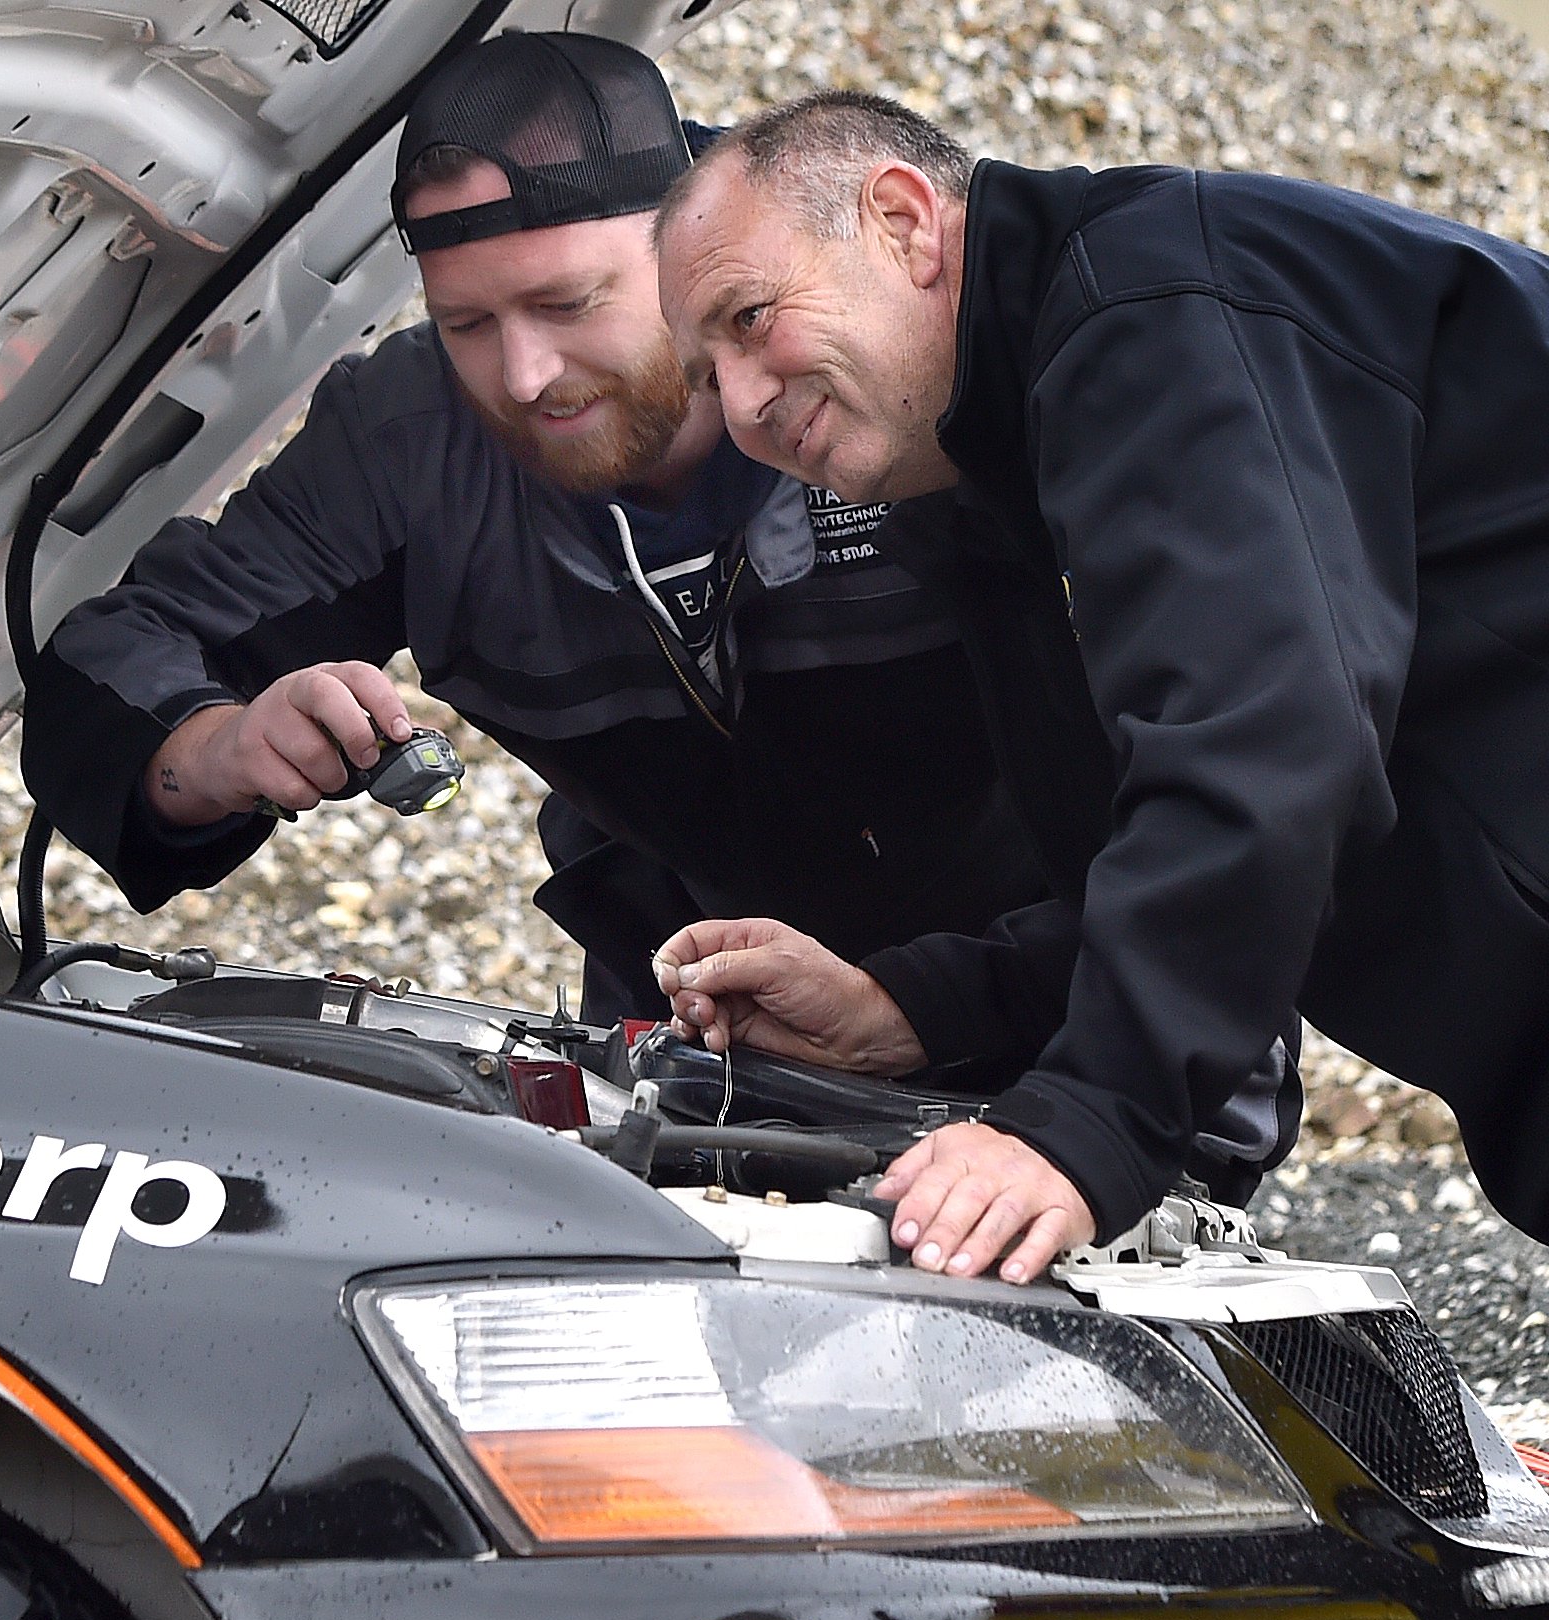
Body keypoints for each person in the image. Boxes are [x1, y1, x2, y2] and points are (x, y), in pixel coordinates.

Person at [654, 91, 1549, 1281]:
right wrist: (914, 1008)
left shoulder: (1156, 307)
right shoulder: (991, 485)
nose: (744, 404)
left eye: (749, 318)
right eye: (706, 379)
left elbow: (1272, 753)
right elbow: (1161, 860)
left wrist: (1089, 1121)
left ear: (906, 223)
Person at [21, 35, 1045, 1025]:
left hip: (1068, 986)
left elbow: (1190, 716)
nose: (523, 377)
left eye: (568, 302)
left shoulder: (897, 341)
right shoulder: (413, 444)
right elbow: (112, 654)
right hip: (700, 1032)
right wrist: (219, 746)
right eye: (465, 323)